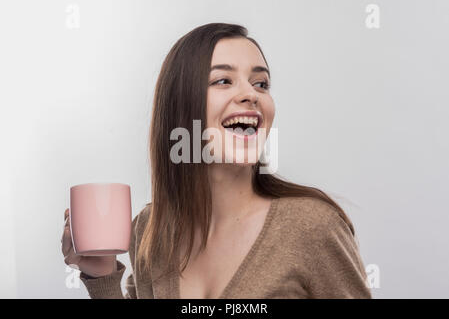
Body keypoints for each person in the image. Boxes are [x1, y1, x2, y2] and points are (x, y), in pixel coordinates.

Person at [61, 23, 372, 299]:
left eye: (261, 83)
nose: (251, 94)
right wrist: (100, 275)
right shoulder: (150, 230)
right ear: (181, 104)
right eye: (224, 81)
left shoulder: (310, 227)